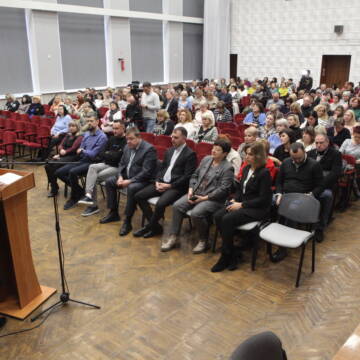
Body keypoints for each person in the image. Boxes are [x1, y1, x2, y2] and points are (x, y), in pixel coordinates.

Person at [161, 139, 234, 253]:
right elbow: (194, 176)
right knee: (176, 206)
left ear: (225, 153)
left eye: (217, 150)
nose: (213, 151)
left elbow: (223, 190)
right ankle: (173, 237)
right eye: (213, 148)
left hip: (213, 199)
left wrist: (204, 198)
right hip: (196, 193)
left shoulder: (228, 168)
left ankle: (203, 241)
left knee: (196, 213)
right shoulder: (206, 159)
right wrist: (190, 190)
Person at [212, 142, 272, 272]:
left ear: (258, 156)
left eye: (250, 154)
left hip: (257, 209)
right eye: (246, 153)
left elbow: (264, 199)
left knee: (228, 219)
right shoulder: (246, 168)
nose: (247, 156)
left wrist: (241, 205)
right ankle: (232, 253)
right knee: (218, 216)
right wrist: (235, 199)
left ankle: (225, 256)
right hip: (243, 204)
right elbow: (240, 190)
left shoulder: (264, 173)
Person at [133, 127, 197, 238]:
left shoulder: (190, 154)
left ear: (184, 138)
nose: (172, 139)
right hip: (162, 182)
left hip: (176, 187)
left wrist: (170, 185)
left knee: (160, 203)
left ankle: (150, 227)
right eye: (172, 136)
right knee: (139, 196)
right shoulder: (169, 150)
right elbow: (162, 169)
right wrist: (157, 181)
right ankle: (156, 226)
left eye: (176, 137)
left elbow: (187, 177)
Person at [99, 127, 157, 236]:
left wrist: (129, 181)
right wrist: (120, 176)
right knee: (110, 181)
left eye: (131, 139)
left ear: (139, 137)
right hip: (127, 176)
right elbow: (121, 164)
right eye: (127, 139)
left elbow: (146, 172)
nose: (128, 141)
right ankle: (113, 212)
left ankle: (127, 221)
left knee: (132, 187)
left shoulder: (149, 149)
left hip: (144, 180)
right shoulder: (127, 147)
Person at [273, 143, 324, 261]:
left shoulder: (314, 165)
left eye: (299, 158)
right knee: (268, 203)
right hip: (285, 195)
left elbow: (320, 186)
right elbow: (279, 182)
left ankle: (283, 246)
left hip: (303, 196)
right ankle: (270, 236)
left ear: (305, 153)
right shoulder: (286, 162)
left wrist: (310, 195)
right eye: (294, 158)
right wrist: (279, 193)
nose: (296, 161)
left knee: (291, 211)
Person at [56, 116, 108, 210]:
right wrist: (82, 151)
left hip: (94, 163)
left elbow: (93, 154)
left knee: (72, 172)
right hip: (83, 160)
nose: (89, 123)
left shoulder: (102, 137)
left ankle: (74, 197)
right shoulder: (87, 134)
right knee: (59, 172)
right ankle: (79, 191)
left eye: (91, 121)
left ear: (97, 122)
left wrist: (83, 151)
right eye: (87, 121)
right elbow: (80, 149)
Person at [78, 121, 127, 216]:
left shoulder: (126, 141)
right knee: (92, 166)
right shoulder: (111, 138)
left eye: (117, 128)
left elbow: (118, 158)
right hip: (107, 164)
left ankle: (93, 206)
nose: (114, 131)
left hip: (117, 167)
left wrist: (109, 154)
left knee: (94, 178)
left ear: (123, 129)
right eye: (113, 128)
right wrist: (110, 154)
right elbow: (102, 153)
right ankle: (88, 195)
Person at [308, 134, 342, 241]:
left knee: (327, 196)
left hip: (326, 185)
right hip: (310, 184)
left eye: (321, 142)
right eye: (316, 143)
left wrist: (320, 186)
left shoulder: (335, 154)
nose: (318, 145)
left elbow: (334, 174)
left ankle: (320, 228)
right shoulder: (310, 153)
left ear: (327, 142)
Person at [44, 121, 83, 197]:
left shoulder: (80, 136)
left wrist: (64, 152)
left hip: (73, 157)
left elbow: (74, 148)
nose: (71, 127)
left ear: (77, 127)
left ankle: (55, 189)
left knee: (53, 166)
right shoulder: (68, 135)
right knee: (47, 166)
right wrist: (60, 151)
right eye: (70, 126)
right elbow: (61, 144)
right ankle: (54, 186)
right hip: (64, 155)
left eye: (73, 126)